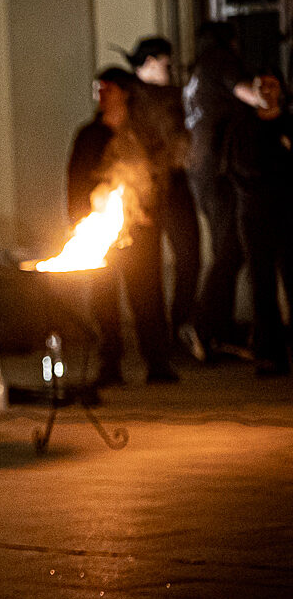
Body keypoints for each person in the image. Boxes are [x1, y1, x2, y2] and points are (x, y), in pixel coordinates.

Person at [68, 67, 178, 386]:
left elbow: (158, 176)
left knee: (147, 295)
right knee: (104, 298)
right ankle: (110, 364)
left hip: (140, 230)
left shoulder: (142, 134)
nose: (102, 95)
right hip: (99, 231)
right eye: (98, 89)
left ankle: (157, 362)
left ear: (125, 93)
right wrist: (79, 220)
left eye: (108, 88)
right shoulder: (90, 136)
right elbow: (75, 181)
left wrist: (148, 211)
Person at [183, 21, 270, 360]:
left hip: (203, 172)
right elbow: (253, 95)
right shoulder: (220, 60)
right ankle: (205, 326)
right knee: (230, 249)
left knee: (226, 249)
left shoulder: (198, 70)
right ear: (228, 41)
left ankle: (217, 329)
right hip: (220, 171)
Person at [123, 36, 203, 359]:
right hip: (146, 191)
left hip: (174, 186)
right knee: (148, 270)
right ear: (151, 62)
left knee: (189, 258)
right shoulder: (130, 98)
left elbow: (182, 139)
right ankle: (158, 344)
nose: (170, 68)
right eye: (166, 63)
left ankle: (178, 327)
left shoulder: (173, 96)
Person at [222, 70, 293, 376]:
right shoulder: (242, 128)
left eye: (272, 85)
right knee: (261, 285)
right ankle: (269, 354)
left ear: (281, 90)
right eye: (260, 85)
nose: (266, 90)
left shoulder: (289, 124)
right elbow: (240, 170)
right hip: (254, 216)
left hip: (289, 215)